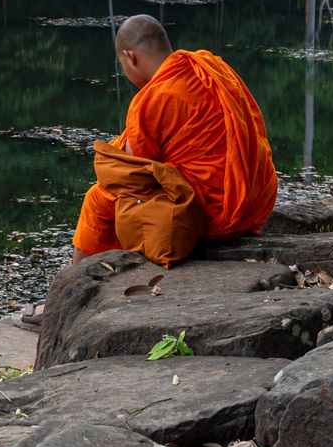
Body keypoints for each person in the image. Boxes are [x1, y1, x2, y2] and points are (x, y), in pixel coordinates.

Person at [70, 14, 277, 265]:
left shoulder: (153, 97)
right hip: (255, 205)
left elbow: (130, 172)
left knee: (98, 198)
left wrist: (110, 154)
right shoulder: (210, 65)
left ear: (130, 57)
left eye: (121, 64)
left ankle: (75, 286)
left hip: (213, 214)